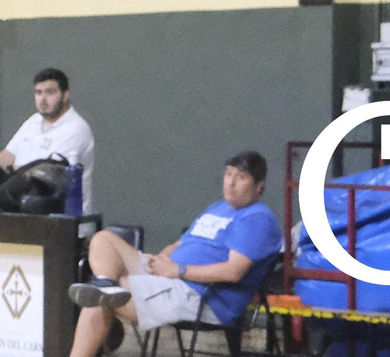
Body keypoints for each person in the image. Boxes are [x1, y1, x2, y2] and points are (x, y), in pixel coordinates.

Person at [65, 151, 280, 355]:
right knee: (104, 240)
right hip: (169, 274)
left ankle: (108, 306)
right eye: (228, 174)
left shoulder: (257, 219)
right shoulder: (218, 208)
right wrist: (162, 259)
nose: (230, 183)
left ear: (259, 186)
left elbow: (233, 272)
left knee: (99, 298)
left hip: (198, 294)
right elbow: (180, 244)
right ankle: (107, 289)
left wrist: (178, 270)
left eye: (241, 177)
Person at [0, 67, 96, 212]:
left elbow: (45, 174)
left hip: (62, 222)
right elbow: (6, 157)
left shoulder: (76, 129)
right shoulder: (32, 122)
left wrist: (9, 175)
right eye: (39, 92)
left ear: (65, 95)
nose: (43, 99)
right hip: (21, 215)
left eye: (50, 92)